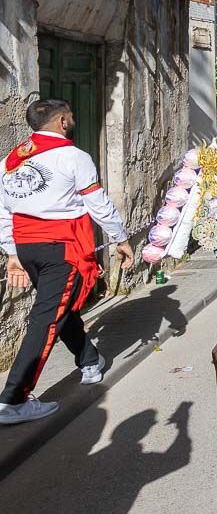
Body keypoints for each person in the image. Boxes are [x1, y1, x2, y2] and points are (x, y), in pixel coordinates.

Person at [0, 100, 135, 424]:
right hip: (61, 247)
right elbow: (98, 204)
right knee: (46, 317)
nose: (72, 120)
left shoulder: (10, 160)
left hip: (28, 246)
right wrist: (120, 237)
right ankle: (13, 400)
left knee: (60, 308)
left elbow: (4, 211)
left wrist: (12, 252)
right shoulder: (74, 157)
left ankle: (90, 360)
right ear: (61, 120)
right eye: (71, 116)